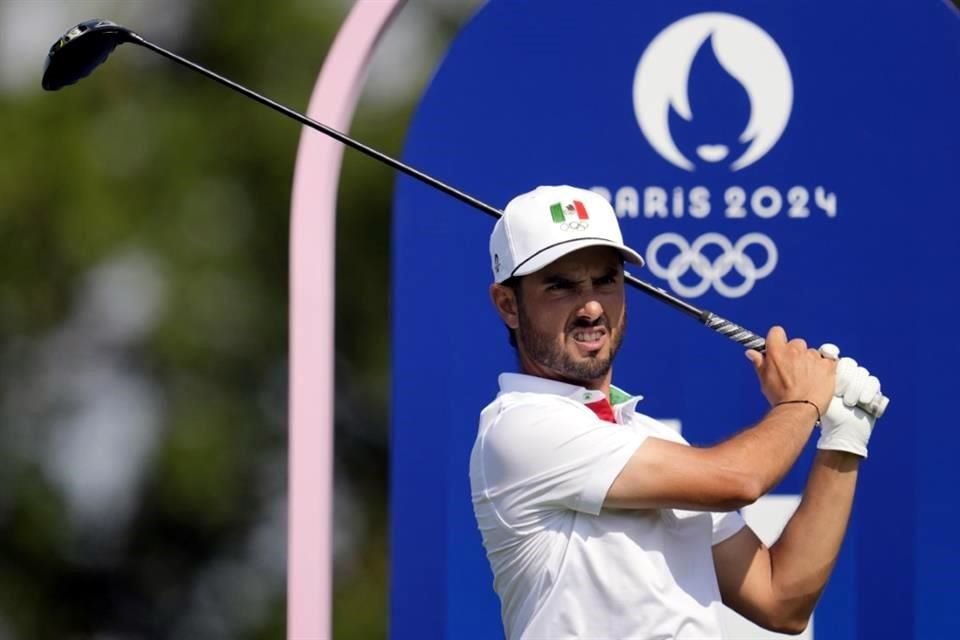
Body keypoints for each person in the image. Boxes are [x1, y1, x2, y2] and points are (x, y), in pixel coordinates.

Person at [469, 185, 883, 639]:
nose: (590, 307)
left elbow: (780, 600)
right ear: (508, 304)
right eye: (561, 287)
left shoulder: (656, 443)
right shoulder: (519, 427)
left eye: (605, 281)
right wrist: (802, 401)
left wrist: (843, 440)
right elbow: (738, 481)